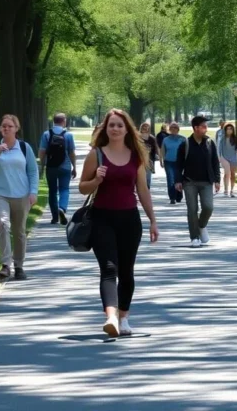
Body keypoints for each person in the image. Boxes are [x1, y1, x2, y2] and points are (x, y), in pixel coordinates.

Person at [79, 109, 159, 337]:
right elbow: (83, 187)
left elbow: (143, 190)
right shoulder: (97, 154)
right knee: (108, 269)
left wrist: (153, 220)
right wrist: (96, 179)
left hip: (130, 220)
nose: (114, 129)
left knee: (126, 271)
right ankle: (111, 317)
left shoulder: (136, 156)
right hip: (101, 218)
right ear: (105, 128)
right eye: (111, 125)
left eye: (119, 125)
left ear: (127, 129)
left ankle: (124, 318)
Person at [0, 114, 40, 281]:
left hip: (21, 195)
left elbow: (33, 171)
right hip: (0, 194)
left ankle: (19, 265)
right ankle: (5, 265)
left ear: (16, 129)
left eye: (9, 126)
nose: (6, 128)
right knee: (3, 225)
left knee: (19, 231)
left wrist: (33, 192)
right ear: (0, 129)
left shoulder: (24, 147)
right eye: (3, 126)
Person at [175, 115, 221, 248]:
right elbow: (178, 164)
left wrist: (217, 180)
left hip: (207, 182)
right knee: (192, 209)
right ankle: (194, 237)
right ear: (196, 128)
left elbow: (215, 162)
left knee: (208, 207)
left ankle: (201, 226)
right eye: (204, 126)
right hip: (189, 182)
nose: (206, 129)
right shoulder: (186, 144)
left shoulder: (209, 143)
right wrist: (178, 181)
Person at [39, 113, 77, 225]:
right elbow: (72, 153)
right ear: (64, 121)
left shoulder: (46, 134)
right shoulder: (68, 135)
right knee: (64, 189)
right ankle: (62, 208)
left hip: (51, 166)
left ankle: (55, 217)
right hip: (65, 166)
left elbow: (42, 151)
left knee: (52, 191)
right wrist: (74, 166)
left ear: (54, 121)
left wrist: (42, 165)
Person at [159, 122, 186, 204]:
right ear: (169, 130)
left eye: (175, 128)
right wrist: (161, 160)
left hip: (179, 162)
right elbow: (162, 151)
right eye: (172, 128)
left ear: (178, 129)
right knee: (170, 179)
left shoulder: (183, 139)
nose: (173, 129)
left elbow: (187, 151)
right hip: (168, 161)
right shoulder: (166, 139)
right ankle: (172, 197)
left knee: (178, 179)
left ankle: (179, 195)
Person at [219, 123, 237, 197]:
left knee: (233, 174)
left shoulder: (236, 139)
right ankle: (225, 190)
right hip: (224, 157)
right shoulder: (222, 139)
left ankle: (232, 190)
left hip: (233, 158)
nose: (229, 130)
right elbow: (220, 149)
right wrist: (220, 157)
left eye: (231, 129)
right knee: (227, 173)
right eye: (227, 129)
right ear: (225, 130)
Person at [139, 122, 159, 189]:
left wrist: (159, 157)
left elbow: (155, 148)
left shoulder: (152, 138)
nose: (145, 128)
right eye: (144, 126)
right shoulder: (137, 137)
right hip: (139, 160)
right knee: (140, 178)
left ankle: (147, 190)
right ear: (141, 128)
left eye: (147, 127)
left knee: (148, 177)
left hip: (149, 161)